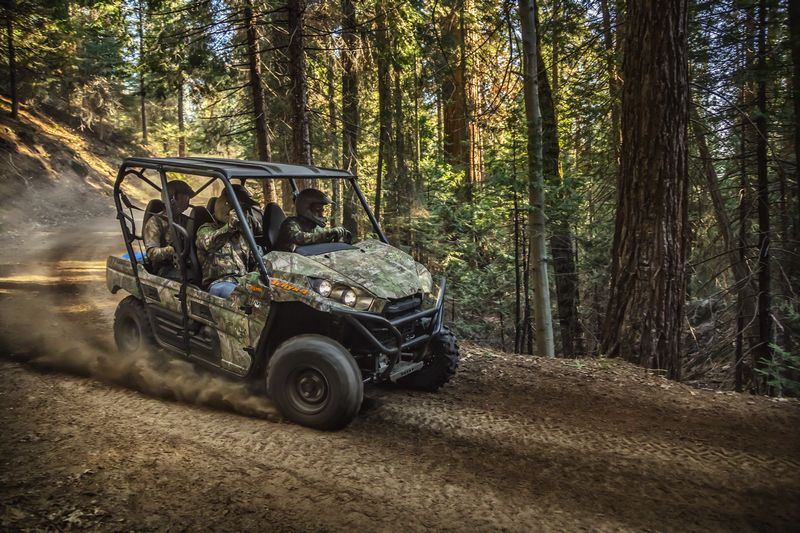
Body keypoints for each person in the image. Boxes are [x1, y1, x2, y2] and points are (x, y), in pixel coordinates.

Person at [196, 185, 261, 298]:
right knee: (245, 297)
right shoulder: (206, 229)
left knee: (267, 295)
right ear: (227, 207)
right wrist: (229, 227)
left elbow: (254, 259)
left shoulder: (242, 232)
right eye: (239, 208)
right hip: (220, 284)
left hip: (243, 282)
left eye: (244, 209)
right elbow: (210, 243)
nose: (243, 212)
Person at [143, 180, 194, 277]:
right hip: (165, 268)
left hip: (184, 263)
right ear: (172, 199)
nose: (188, 200)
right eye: (185, 196)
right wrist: (171, 250)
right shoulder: (155, 222)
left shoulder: (184, 220)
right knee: (191, 277)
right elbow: (152, 253)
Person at [275, 188, 351, 253]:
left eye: (322, 210)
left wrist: (340, 237)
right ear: (305, 209)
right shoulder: (290, 224)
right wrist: (327, 234)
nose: (321, 215)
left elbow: (323, 240)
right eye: (317, 210)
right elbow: (301, 238)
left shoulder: (316, 227)